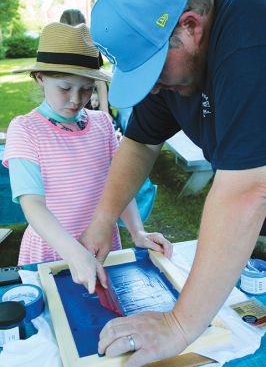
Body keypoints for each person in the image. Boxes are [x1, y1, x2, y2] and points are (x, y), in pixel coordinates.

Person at [80, 0, 266, 365]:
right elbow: (141, 142)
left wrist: (179, 325)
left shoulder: (252, 26)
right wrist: (103, 217)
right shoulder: (170, 58)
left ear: (191, 26)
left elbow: (249, 191)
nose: (156, 87)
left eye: (155, 70)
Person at [2, 22, 172, 293]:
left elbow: (120, 185)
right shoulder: (25, 129)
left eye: (86, 88)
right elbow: (32, 204)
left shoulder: (102, 123)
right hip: (52, 250)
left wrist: (137, 232)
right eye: (65, 87)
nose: (75, 99)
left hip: (102, 246)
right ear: (40, 78)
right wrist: (73, 253)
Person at [60, 8, 112, 118]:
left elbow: (99, 81)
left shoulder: (90, 46)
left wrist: (104, 112)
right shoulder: (57, 50)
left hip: (92, 102)